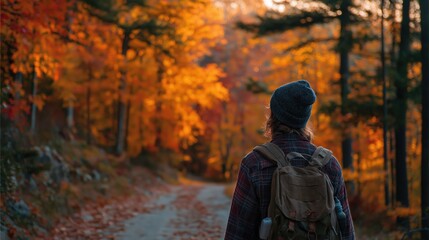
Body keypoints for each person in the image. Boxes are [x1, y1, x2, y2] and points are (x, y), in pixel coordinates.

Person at [225, 80, 355, 240]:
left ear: (273, 115)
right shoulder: (330, 165)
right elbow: (346, 231)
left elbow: (237, 232)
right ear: (305, 118)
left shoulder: (255, 163)